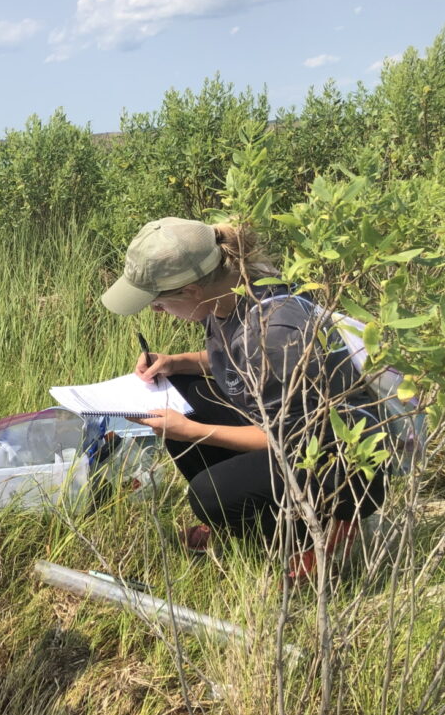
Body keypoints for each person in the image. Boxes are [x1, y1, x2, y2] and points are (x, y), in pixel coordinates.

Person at [100, 217, 386, 578]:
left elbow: (290, 438)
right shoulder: (230, 291)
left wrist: (190, 431)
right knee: (183, 391)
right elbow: (236, 359)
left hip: (344, 462)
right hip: (292, 423)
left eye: (158, 303)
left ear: (191, 292)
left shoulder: (275, 333)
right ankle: (246, 518)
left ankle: (320, 533)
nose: (156, 312)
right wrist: (177, 363)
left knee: (207, 494)